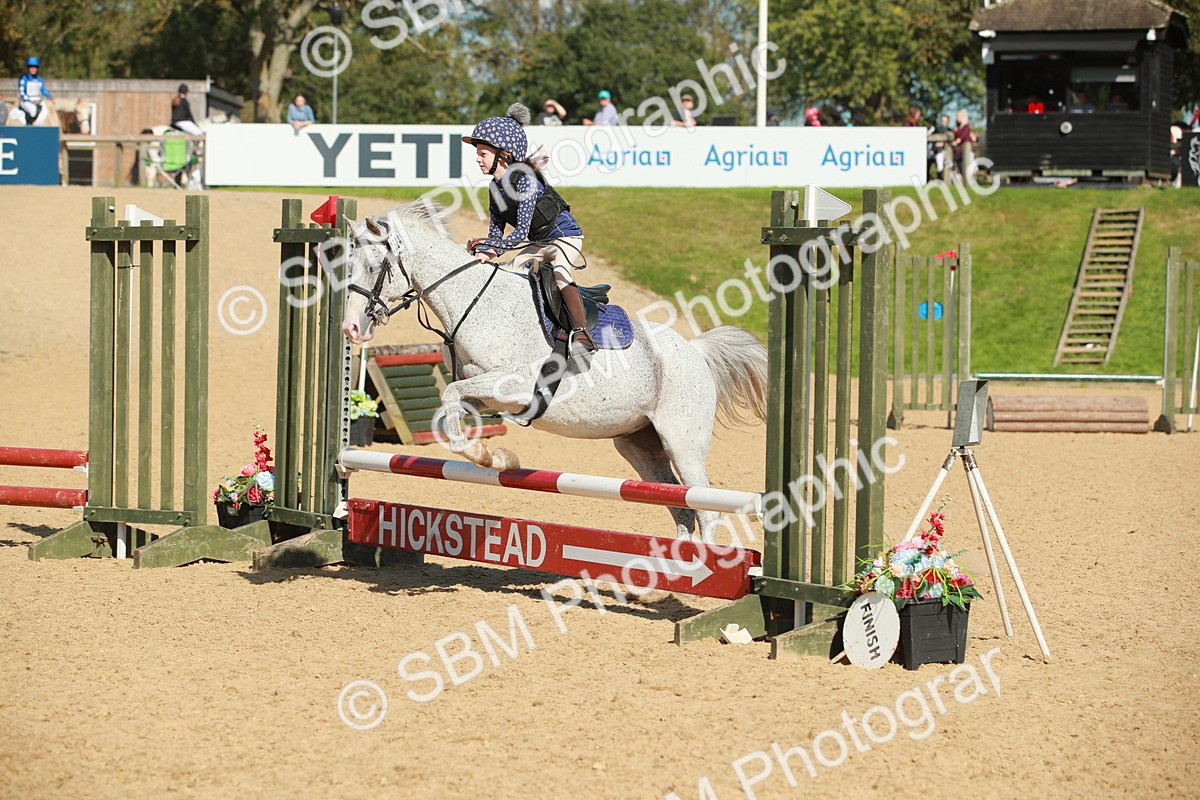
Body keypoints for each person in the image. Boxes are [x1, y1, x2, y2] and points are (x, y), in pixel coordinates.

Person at [461, 103, 596, 352]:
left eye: (482, 153)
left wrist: (489, 244)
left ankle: (581, 333)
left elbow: (521, 232)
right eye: (478, 154)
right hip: (539, 243)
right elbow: (496, 235)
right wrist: (486, 250)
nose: (477, 159)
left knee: (561, 273)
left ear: (503, 155)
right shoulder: (494, 188)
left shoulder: (525, 181)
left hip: (565, 238)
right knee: (511, 272)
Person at [17, 57, 53, 126]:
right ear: (28, 68)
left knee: (45, 112)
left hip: (37, 101)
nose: (33, 69)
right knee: (33, 111)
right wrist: (29, 100)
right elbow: (22, 92)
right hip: (26, 101)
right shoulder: (24, 79)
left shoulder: (40, 79)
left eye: (35, 67)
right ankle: (28, 125)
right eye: (31, 67)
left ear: (37, 68)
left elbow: (43, 89)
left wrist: (49, 96)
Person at [951, 110, 978, 175]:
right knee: (960, 165)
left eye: (958, 116)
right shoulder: (958, 127)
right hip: (959, 150)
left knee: (965, 166)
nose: (957, 118)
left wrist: (957, 141)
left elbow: (963, 136)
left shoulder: (966, 126)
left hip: (965, 150)